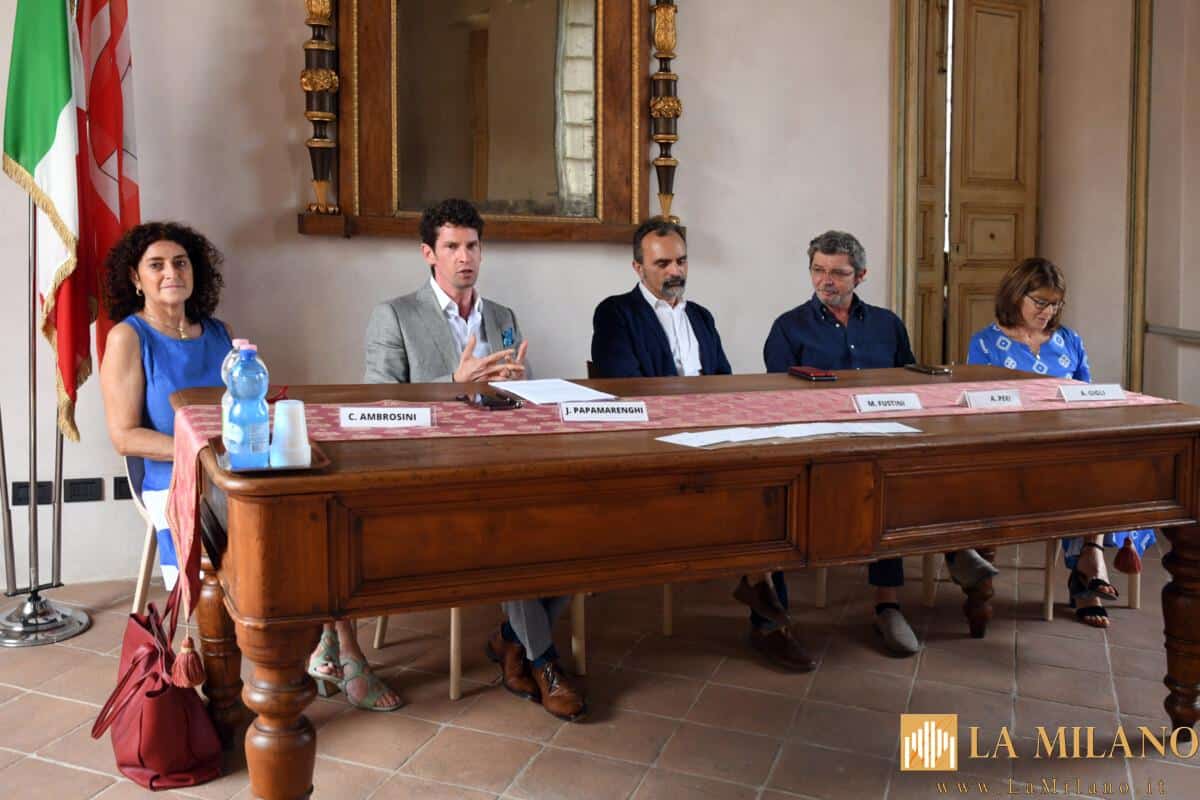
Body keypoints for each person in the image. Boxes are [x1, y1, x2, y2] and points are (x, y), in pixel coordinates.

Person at [363, 198, 585, 720]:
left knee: (577, 520)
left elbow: (521, 397)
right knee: (514, 529)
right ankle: (543, 661)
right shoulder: (394, 315)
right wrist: (453, 384)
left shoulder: (503, 316)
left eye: (472, 246)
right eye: (452, 247)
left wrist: (519, 387)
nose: (465, 257)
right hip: (433, 469)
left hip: (507, 458)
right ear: (429, 253)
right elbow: (376, 404)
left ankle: (512, 636)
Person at [590, 218, 815, 672]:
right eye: (662, 264)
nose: (675, 271)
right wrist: (693, 405)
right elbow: (625, 388)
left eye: (681, 261)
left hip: (710, 436)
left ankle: (767, 609)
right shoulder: (616, 313)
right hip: (654, 443)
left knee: (771, 486)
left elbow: (724, 381)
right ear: (638, 267)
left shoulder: (701, 316)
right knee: (747, 493)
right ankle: (765, 603)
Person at [763, 230, 997, 656]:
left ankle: (896, 599)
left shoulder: (887, 324)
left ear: (861, 275)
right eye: (818, 270)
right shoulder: (788, 327)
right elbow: (779, 399)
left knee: (915, 468)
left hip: (885, 438)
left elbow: (908, 385)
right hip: (823, 443)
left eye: (838, 273)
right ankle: (946, 554)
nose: (826, 280)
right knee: (883, 482)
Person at [966, 257, 1155, 628]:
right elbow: (979, 406)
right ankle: (1087, 573)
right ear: (1015, 295)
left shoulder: (1069, 340)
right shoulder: (985, 343)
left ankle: (1090, 555)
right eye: (1040, 302)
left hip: (1069, 443)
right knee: (1082, 472)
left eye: (1055, 304)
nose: (1048, 311)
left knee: (1107, 464)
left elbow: (1088, 397)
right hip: (1015, 452)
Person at [100, 222, 234, 596]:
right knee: (239, 565)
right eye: (156, 265)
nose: (172, 272)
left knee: (302, 522)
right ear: (136, 278)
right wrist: (201, 453)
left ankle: (319, 622)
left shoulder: (222, 332)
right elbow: (124, 437)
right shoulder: (128, 337)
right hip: (174, 478)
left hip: (234, 468)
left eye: (180, 262)